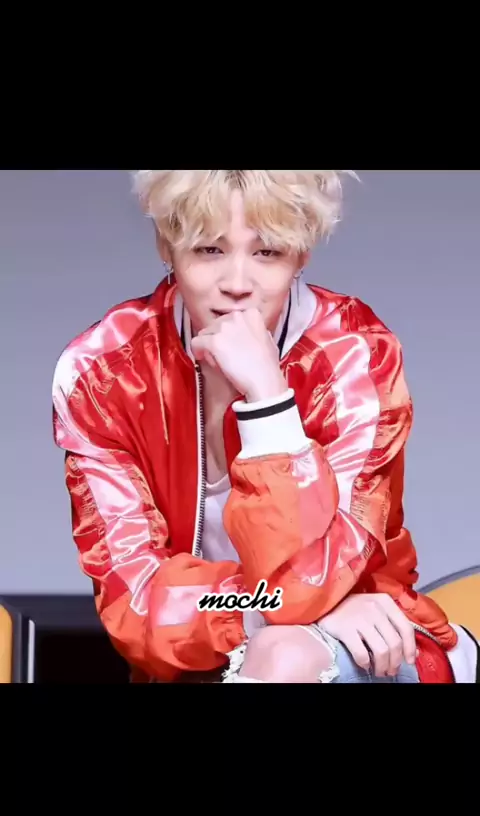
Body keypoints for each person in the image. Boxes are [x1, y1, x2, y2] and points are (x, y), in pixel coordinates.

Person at [52, 169, 477, 684]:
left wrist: (269, 401)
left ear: (302, 254)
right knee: (275, 645)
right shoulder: (103, 374)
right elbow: (135, 603)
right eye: (209, 249)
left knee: (282, 655)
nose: (237, 283)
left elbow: (313, 577)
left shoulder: (352, 357)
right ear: (167, 244)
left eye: (267, 252)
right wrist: (264, 613)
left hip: (375, 642)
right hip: (212, 661)